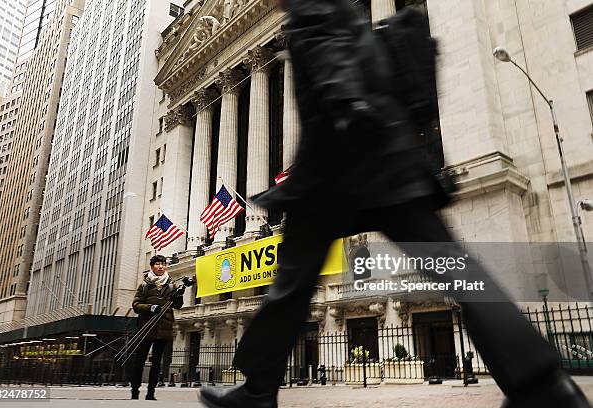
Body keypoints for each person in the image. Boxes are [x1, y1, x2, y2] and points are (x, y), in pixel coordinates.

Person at [198, 0, 591, 407]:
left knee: (291, 284)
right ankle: (544, 386)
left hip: (338, 163)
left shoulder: (310, 6)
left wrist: (343, 102)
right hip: (390, 158)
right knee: (457, 271)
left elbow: (330, 51)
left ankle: (258, 390)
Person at [131, 255, 191, 400]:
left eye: (163, 264)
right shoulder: (144, 285)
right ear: (152, 266)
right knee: (139, 361)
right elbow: (136, 305)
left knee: (157, 362)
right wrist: (150, 307)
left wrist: (180, 295)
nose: (160, 267)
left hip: (164, 327)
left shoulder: (171, 285)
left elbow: (177, 306)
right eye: (157, 264)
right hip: (146, 328)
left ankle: (151, 393)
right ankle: (135, 391)